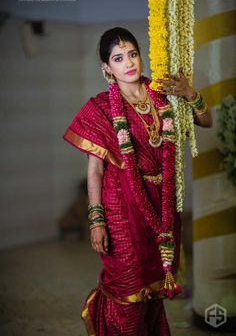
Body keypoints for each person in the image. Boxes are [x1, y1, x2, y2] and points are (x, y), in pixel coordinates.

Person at [63, 27, 212, 336]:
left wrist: (189, 94)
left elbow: (206, 121)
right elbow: (95, 170)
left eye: (132, 54)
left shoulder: (163, 93)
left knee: (154, 291)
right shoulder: (100, 109)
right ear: (107, 67)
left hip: (162, 203)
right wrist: (96, 220)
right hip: (121, 205)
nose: (128, 63)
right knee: (128, 290)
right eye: (118, 58)